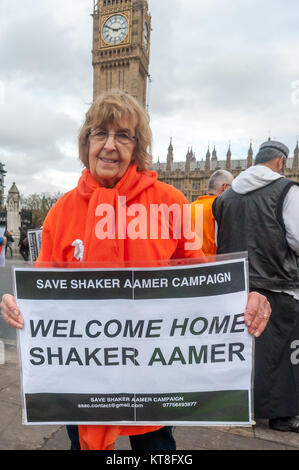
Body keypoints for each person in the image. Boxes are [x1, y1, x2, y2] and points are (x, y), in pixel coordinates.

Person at [0, 90, 271, 450]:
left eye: (123, 135)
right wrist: (19, 304)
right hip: (84, 388)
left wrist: (242, 298)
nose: (110, 145)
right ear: (87, 142)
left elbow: (203, 284)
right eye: (100, 133)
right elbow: (44, 290)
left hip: (152, 386)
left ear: (137, 146)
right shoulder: (62, 211)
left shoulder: (170, 203)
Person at [212, 139, 299, 432]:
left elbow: (218, 238)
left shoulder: (224, 197)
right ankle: (281, 415)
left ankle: (237, 405)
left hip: (233, 285)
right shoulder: (287, 190)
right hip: (275, 283)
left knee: (239, 348)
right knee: (278, 350)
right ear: (280, 162)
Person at [190, 170, 233, 256]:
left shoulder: (189, 207)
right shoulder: (222, 208)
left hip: (190, 264)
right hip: (214, 265)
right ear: (225, 187)